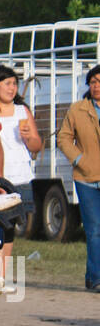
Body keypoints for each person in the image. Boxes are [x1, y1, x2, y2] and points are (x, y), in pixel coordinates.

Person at [0, 65, 43, 295]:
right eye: (7, 83)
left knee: (11, 227)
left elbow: (37, 146)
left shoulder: (22, 111)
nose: (12, 88)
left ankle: (2, 276)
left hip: (21, 175)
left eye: (14, 83)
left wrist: (30, 139)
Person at [57, 63, 100, 292]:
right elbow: (63, 138)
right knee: (94, 230)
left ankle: (90, 274)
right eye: (93, 82)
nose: (97, 86)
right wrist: (79, 160)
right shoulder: (77, 109)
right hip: (86, 179)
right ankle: (96, 278)